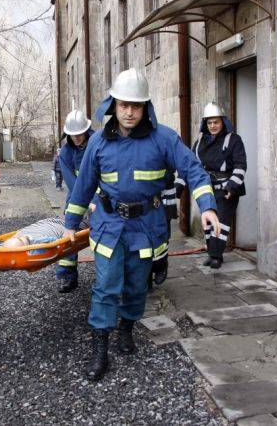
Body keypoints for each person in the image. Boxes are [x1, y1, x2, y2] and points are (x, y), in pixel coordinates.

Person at [63, 68, 220, 381]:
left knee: (136, 286)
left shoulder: (163, 138)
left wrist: (207, 206)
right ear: (114, 105)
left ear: (145, 106)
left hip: (145, 227)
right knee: (106, 286)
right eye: (124, 105)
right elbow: (83, 186)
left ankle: (127, 329)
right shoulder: (97, 143)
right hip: (108, 225)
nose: (129, 111)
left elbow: (195, 171)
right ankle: (100, 348)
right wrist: (70, 221)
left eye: (136, 105)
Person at [192, 102, 247, 269]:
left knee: (221, 223)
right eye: (209, 123)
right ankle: (211, 253)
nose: (213, 126)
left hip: (227, 190)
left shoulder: (233, 140)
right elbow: (192, 164)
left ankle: (217, 256)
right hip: (208, 189)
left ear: (223, 122)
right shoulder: (200, 141)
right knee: (208, 223)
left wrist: (231, 187)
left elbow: (240, 165)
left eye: (216, 122)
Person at [56, 109, 94, 294]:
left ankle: (106, 277)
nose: (76, 138)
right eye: (72, 135)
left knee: (102, 236)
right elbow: (71, 182)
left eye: (79, 134)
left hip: (99, 197)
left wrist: (95, 200)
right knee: (69, 235)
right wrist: (84, 202)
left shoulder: (97, 143)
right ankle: (67, 276)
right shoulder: (65, 152)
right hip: (76, 197)